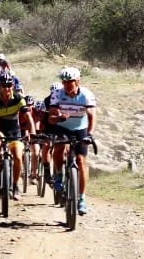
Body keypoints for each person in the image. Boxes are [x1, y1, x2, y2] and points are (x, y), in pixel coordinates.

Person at [46, 67, 97, 215]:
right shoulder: (57, 94)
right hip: (62, 127)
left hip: (81, 128)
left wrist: (90, 134)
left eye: (71, 82)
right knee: (59, 149)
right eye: (65, 82)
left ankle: (81, 198)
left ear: (78, 81)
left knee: (81, 161)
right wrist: (59, 118)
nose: (68, 85)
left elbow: (92, 115)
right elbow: (51, 118)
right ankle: (58, 176)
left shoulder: (87, 95)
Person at [0, 73, 34, 201]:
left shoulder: (19, 98)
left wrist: (32, 132)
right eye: (3, 86)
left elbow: (28, 116)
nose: (6, 89)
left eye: (9, 86)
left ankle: (15, 186)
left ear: (13, 86)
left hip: (15, 132)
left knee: (18, 156)